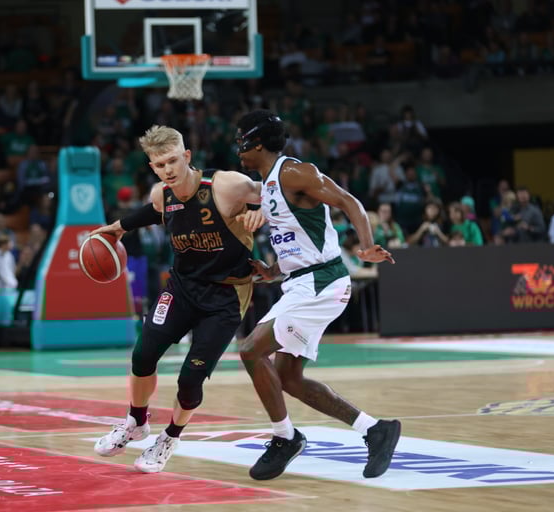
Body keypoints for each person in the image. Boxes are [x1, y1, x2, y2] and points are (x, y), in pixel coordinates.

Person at [234, 110, 401, 481]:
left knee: (250, 350)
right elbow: (298, 242)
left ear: (257, 144)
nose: (238, 148)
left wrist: (366, 245)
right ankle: (376, 430)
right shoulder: (267, 186)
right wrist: (273, 271)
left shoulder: (293, 172)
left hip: (322, 282)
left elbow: (348, 201)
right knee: (289, 378)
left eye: (242, 140)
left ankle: (285, 438)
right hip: (300, 282)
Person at [90, 125, 264, 474]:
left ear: (187, 156)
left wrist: (263, 212)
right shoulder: (162, 194)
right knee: (143, 354)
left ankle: (170, 437)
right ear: (152, 167)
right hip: (182, 287)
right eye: (159, 165)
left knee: (190, 379)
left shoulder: (226, 185)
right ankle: (136, 421)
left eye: (172, 161)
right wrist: (120, 227)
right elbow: (154, 211)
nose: (167, 170)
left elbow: (280, 193)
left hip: (226, 295)